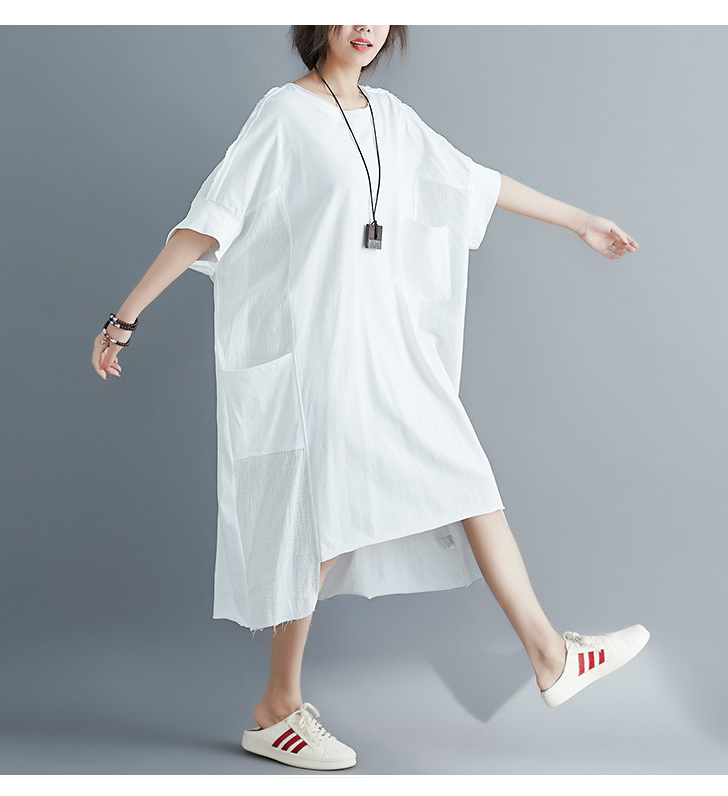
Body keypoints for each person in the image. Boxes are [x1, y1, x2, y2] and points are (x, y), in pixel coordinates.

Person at [91, 25, 649, 771]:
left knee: (461, 480)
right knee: (327, 523)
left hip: (389, 349)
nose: (366, 23)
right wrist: (126, 316)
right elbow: (211, 219)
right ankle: (279, 707)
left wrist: (581, 221)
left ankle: (549, 657)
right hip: (320, 359)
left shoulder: (392, 119)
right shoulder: (284, 115)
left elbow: (472, 182)